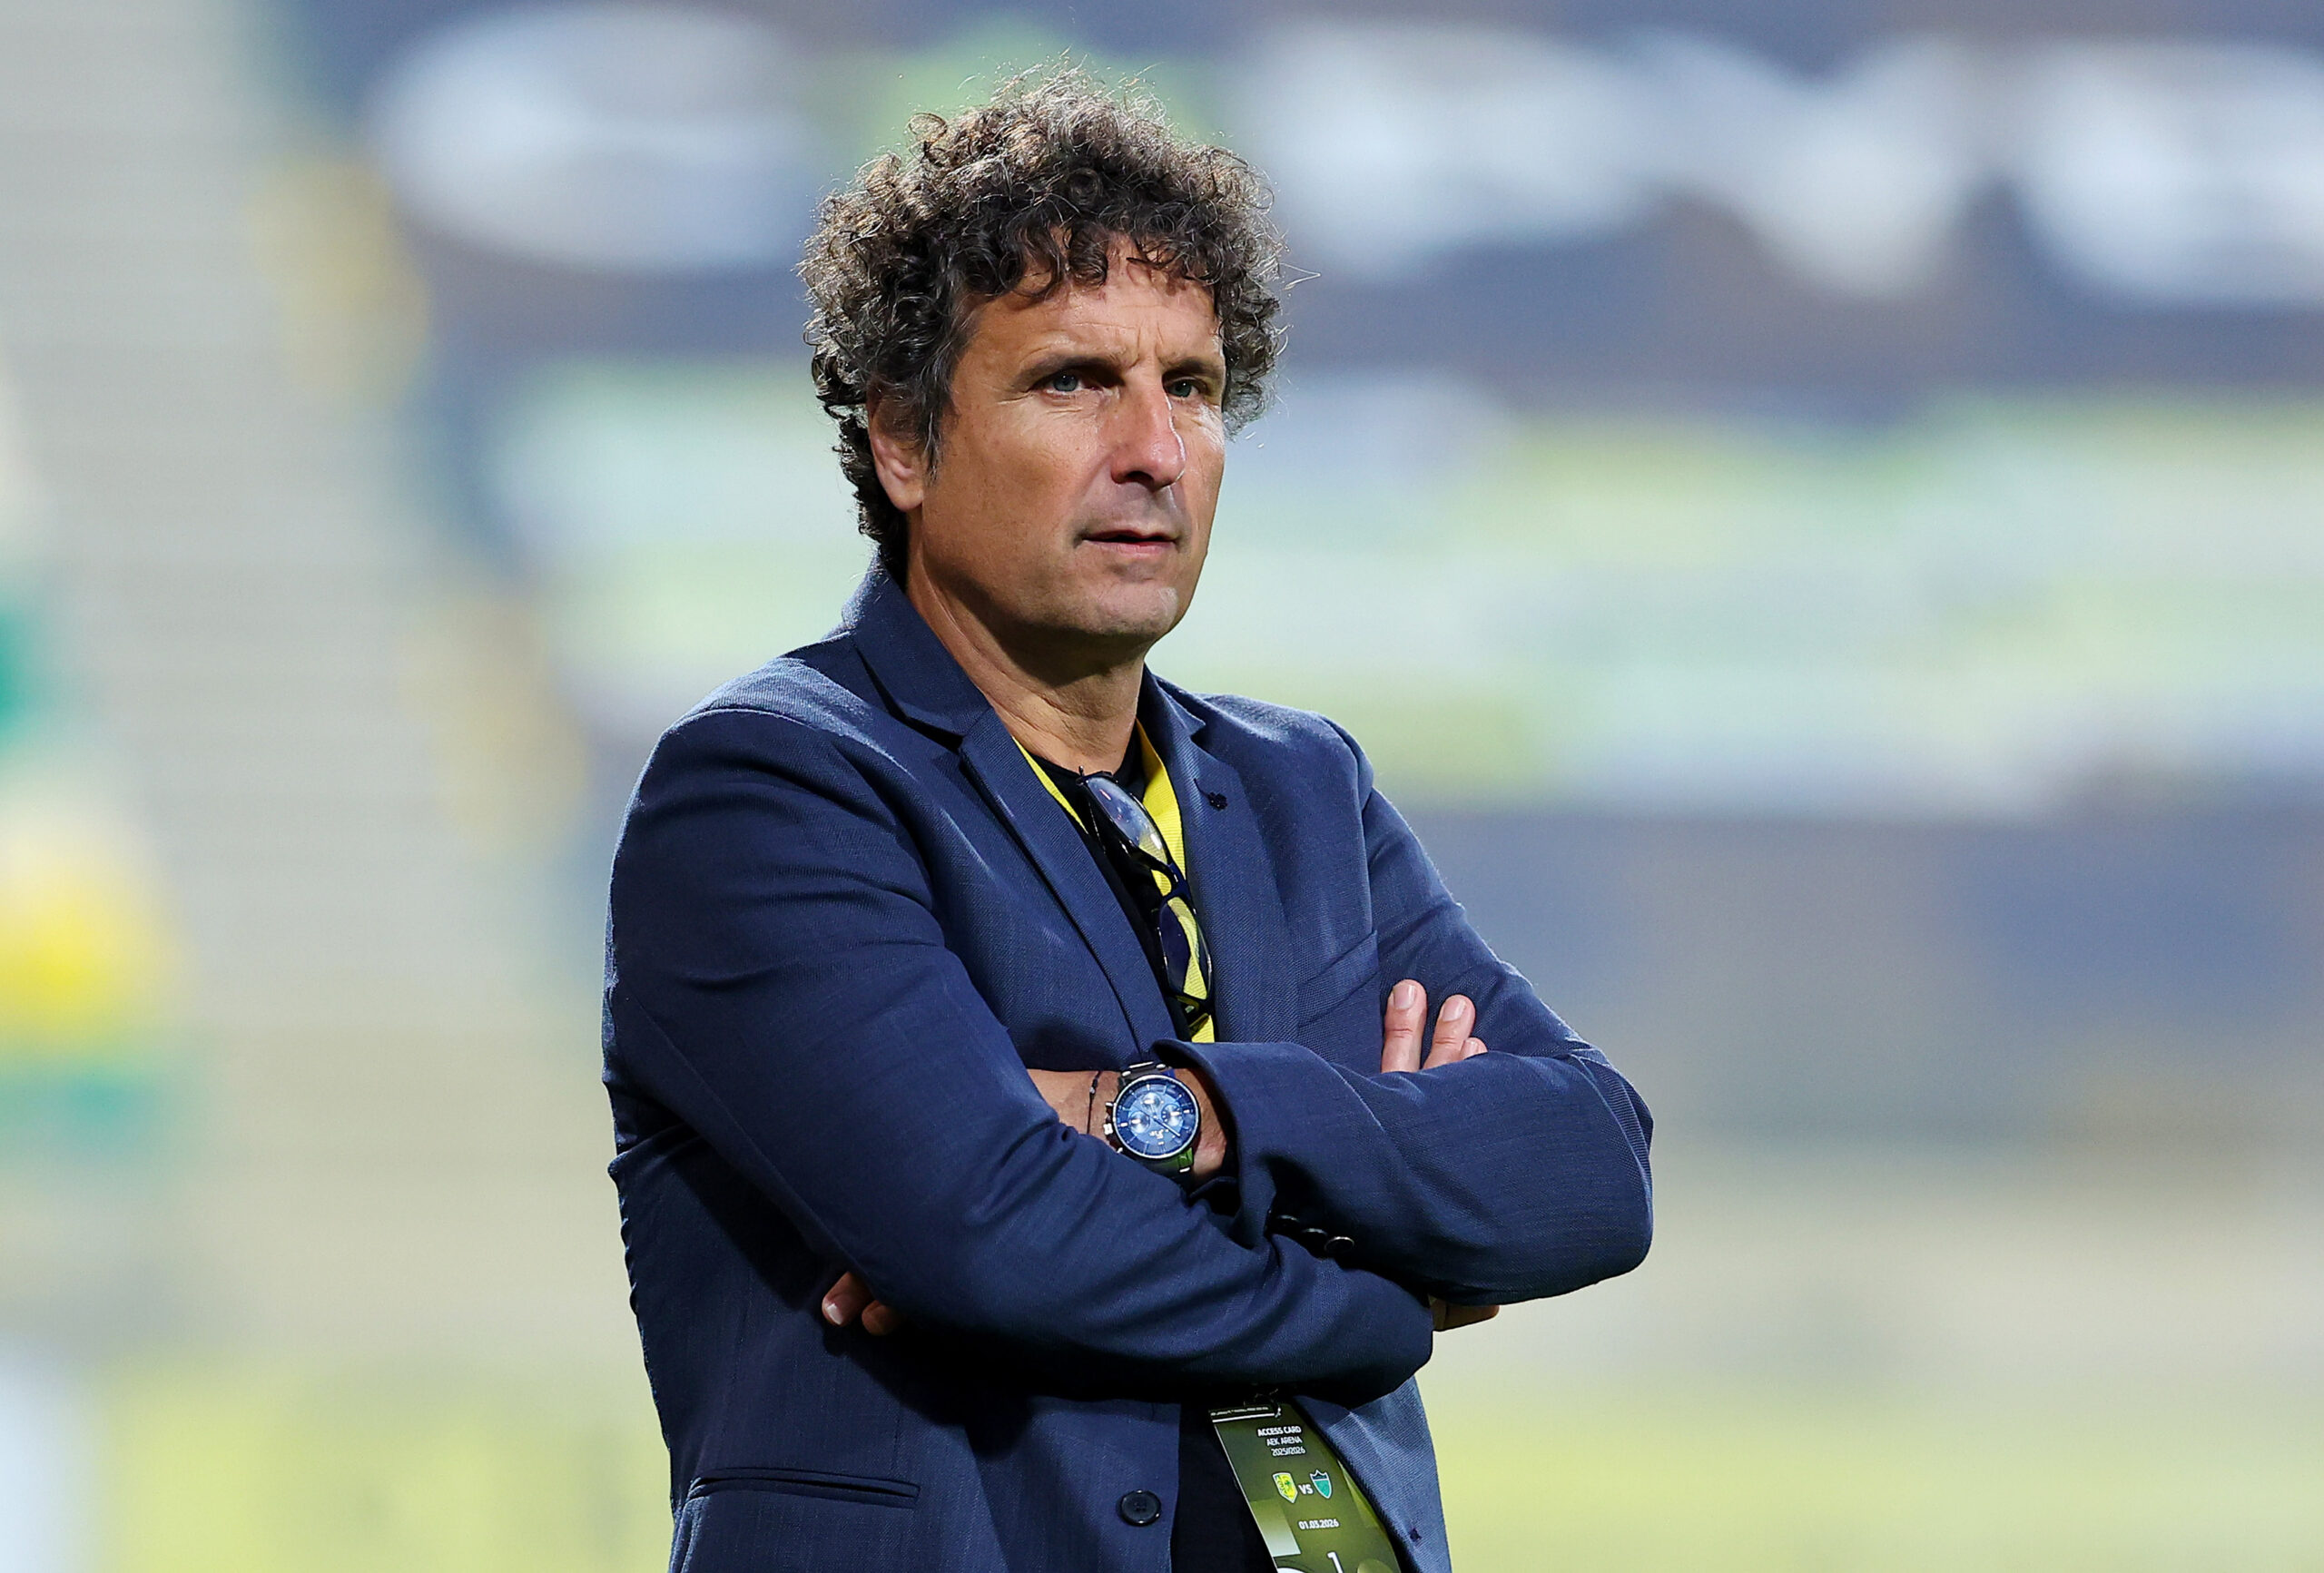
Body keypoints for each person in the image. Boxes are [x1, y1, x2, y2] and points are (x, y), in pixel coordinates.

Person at [603, 70, 1652, 1573]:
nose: (1155, 448)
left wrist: (1180, 1115)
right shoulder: (772, 789)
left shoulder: (1305, 791)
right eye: (1075, 381)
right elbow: (993, 1232)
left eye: (1196, 387)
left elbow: (1594, 1162)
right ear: (902, 439)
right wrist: (1385, 1288)